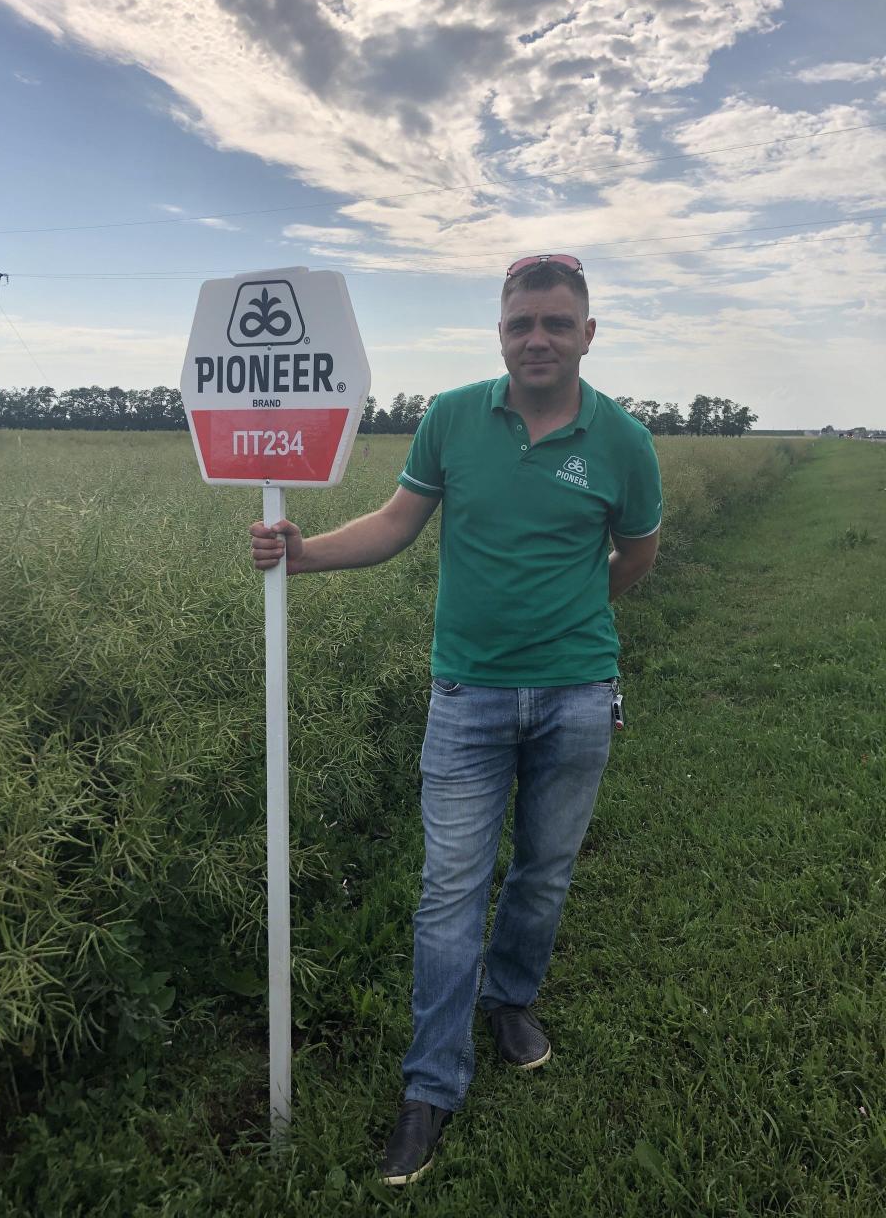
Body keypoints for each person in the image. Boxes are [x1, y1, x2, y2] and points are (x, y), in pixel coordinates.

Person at [249, 255, 662, 1185]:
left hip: (576, 698)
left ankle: (510, 997)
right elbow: (398, 524)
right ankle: (431, 1087)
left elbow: (636, 552)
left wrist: (576, 620)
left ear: (588, 334)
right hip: (466, 699)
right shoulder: (451, 419)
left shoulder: (624, 442)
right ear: (500, 331)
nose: (538, 339)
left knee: (544, 873)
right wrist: (303, 555)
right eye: (522, 323)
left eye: (557, 323)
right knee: (448, 896)